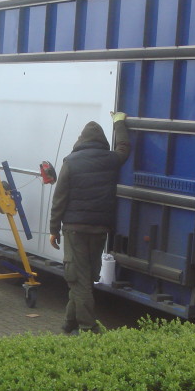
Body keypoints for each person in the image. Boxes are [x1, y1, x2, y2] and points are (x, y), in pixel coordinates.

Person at [48, 112, 130, 334]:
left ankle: (87, 326)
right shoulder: (111, 159)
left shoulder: (71, 162)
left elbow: (59, 199)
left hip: (74, 229)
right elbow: (124, 147)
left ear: (81, 139)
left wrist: (53, 229)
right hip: (100, 228)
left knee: (79, 278)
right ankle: (69, 322)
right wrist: (119, 122)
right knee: (87, 277)